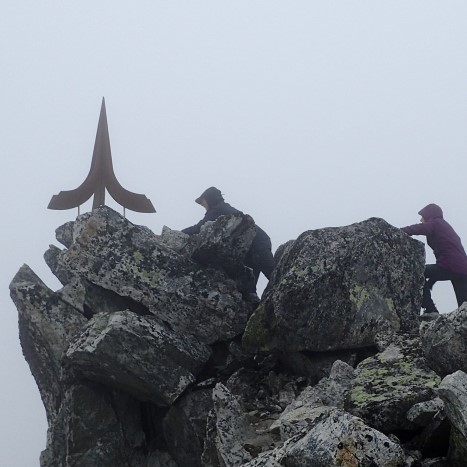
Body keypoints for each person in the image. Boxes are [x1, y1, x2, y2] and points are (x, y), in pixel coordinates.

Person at [182, 187, 274, 302]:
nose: (202, 205)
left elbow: (198, 228)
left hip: (258, 243)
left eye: (203, 202)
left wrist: (177, 234)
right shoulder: (222, 208)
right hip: (251, 246)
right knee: (250, 287)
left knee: (272, 275)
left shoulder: (218, 210)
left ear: (210, 199)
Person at [401, 203, 467, 314]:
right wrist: (432, 280)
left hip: (449, 266)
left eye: (422, 216)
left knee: (416, 272)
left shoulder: (436, 223)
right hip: (463, 270)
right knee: (464, 309)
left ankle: (431, 309)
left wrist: (396, 231)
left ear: (429, 215)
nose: (421, 219)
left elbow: (417, 229)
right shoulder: (445, 226)